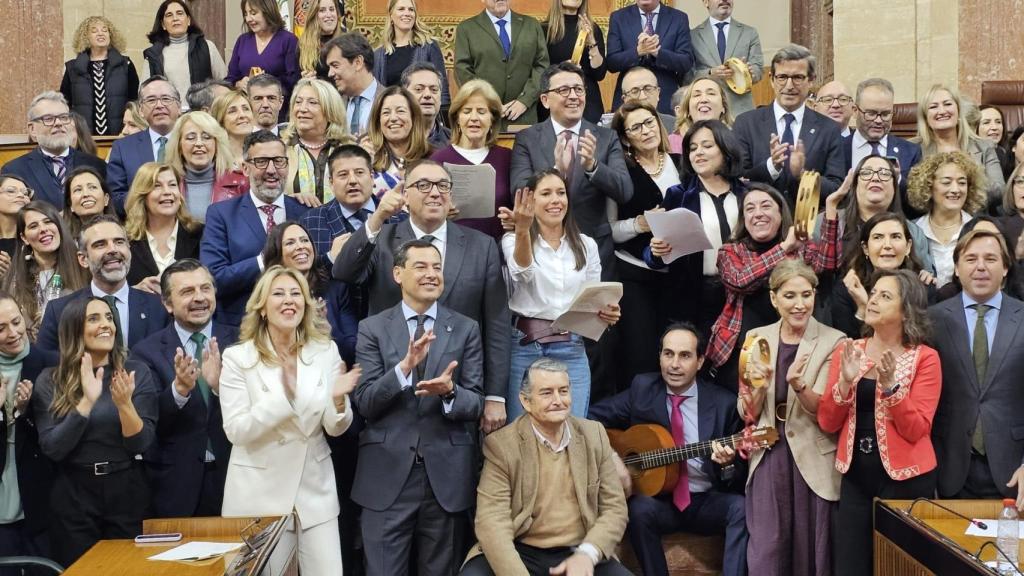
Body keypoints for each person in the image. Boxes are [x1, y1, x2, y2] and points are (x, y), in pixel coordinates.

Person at [334, 160, 510, 432]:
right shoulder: (382, 237)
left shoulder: (481, 245)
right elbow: (345, 271)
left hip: (458, 391)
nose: (435, 192)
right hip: (391, 393)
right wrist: (377, 217)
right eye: (423, 185)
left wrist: (495, 396)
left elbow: (497, 323)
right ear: (405, 195)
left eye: (443, 185)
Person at [352, 239, 485, 576]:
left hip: (446, 478)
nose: (431, 274)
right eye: (421, 267)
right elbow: (365, 402)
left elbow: (476, 403)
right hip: (386, 477)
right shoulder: (372, 328)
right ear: (398, 273)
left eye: (437, 267)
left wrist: (450, 391)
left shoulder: (466, 327)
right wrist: (404, 368)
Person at [219, 266, 357, 574]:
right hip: (259, 496)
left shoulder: (325, 351)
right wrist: (285, 396)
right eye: (278, 294)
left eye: (296, 294)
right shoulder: (238, 358)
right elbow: (236, 430)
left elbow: (336, 427)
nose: (288, 301)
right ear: (262, 307)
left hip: (315, 492)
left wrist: (338, 400)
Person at [588, 322, 745, 576]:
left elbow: (736, 478)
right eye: (668, 354)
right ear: (659, 357)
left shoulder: (723, 403)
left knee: (741, 508)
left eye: (685, 356)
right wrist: (613, 457)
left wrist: (726, 464)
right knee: (639, 510)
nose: (674, 364)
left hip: (705, 500)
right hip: (661, 503)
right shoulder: (643, 390)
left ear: (701, 361)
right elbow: (590, 418)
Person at [819, 269, 940, 576]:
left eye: (885, 296)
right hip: (856, 478)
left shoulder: (925, 358)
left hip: (907, 480)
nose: (872, 300)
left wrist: (891, 389)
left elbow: (916, 430)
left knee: (900, 568)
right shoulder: (848, 351)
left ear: (906, 310)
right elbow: (828, 422)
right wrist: (845, 383)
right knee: (849, 567)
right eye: (873, 293)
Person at [463, 358, 630, 576]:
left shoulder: (594, 434)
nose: (558, 400)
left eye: (563, 391)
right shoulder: (502, 446)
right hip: (520, 550)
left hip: (579, 549)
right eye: (546, 393)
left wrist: (587, 555)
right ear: (525, 401)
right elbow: (491, 522)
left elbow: (615, 508)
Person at [33, 296, 158, 566]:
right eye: (94, 318)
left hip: (127, 488)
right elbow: (53, 448)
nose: (106, 325)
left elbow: (141, 443)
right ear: (74, 329)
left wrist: (124, 405)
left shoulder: (135, 371)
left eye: (109, 318)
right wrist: (86, 403)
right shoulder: (50, 379)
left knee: (130, 570)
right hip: (73, 494)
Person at [739, 260, 845, 576]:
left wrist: (797, 384)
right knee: (766, 553)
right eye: (789, 296)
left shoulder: (834, 340)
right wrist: (759, 387)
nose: (799, 305)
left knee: (810, 554)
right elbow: (747, 412)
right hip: (769, 453)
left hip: (813, 451)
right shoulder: (756, 338)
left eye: (806, 295)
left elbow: (824, 410)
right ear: (774, 299)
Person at [707, 182, 844, 392]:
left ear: (782, 214)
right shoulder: (730, 251)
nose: (758, 213)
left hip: (792, 348)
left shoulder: (802, 248)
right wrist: (784, 248)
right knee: (746, 415)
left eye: (766, 206)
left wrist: (831, 208)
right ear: (744, 218)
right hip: (742, 350)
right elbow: (740, 280)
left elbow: (827, 264)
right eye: (750, 209)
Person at [504, 169, 616, 420]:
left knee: (573, 428)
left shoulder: (586, 244)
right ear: (531, 201)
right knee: (520, 430)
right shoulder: (513, 239)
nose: (556, 200)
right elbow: (522, 273)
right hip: (525, 344)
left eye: (561, 193)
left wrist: (605, 313)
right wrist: (522, 230)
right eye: (546, 193)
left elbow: (592, 298)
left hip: (571, 345)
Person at [130, 259, 237, 518]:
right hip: (176, 486)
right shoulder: (146, 351)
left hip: (236, 476)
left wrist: (219, 389)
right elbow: (148, 424)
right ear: (167, 303)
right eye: (187, 292)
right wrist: (179, 390)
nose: (199, 298)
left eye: (205, 289)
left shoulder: (241, 340)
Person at [510, 62, 634, 279]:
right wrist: (555, 170)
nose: (574, 96)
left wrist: (593, 167)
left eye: (578, 89)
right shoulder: (527, 139)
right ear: (545, 100)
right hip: (544, 250)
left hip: (594, 248)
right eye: (563, 90)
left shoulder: (606, 137)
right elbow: (519, 190)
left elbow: (624, 190)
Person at [928, 229, 1024, 507]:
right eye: (971, 259)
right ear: (957, 268)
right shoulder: (933, 320)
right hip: (949, 468)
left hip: (1013, 471)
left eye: (991, 259)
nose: (981, 266)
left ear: (1005, 268)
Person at [644, 119, 742, 350]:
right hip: (693, 297)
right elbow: (654, 256)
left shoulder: (747, 193)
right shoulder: (678, 195)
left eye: (707, 146)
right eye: (693, 148)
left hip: (742, 295)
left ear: (725, 149)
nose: (698, 153)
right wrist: (656, 251)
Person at [200, 131, 311, 326]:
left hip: (299, 326)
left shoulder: (306, 211)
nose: (271, 169)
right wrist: (264, 259)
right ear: (245, 168)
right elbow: (213, 279)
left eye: (278, 161)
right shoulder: (221, 214)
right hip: (241, 327)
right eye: (261, 161)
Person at [606, 101, 680, 382]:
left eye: (649, 122)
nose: (646, 130)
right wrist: (640, 223)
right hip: (635, 274)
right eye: (635, 127)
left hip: (678, 274)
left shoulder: (681, 163)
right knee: (641, 355)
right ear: (625, 137)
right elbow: (610, 230)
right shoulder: (621, 172)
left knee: (676, 350)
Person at [37, 216, 170, 352]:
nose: (112, 249)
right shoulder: (59, 311)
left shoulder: (159, 307)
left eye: (119, 242)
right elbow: (45, 367)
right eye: (100, 244)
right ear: (83, 259)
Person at [732, 44, 845, 202]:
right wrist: (772, 166)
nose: (789, 86)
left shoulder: (828, 129)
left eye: (798, 78)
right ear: (771, 79)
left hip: (808, 223)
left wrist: (803, 175)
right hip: (760, 221)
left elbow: (836, 189)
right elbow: (737, 180)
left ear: (811, 80)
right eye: (782, 77)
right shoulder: (746, 124)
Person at [0, 292, 58, 566]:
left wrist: (26, 412)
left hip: (41, 493)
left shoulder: (51, 364)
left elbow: (60, 436)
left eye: (16, 321)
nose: (13, 333)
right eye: (1, 328)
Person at [262, 221, 357, 363]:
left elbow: (353, 353)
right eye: (290, 243)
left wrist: (327, 330)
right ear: (277, 253)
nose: (300, 246)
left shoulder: (336, 289)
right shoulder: (267, 294)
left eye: (305, 240)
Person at [430, 79, 512, 242]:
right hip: (454, 250)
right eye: (467, 111)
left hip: (498, 248)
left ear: (492, 119)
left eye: (481, 111)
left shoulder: (507, 158)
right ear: (457, 118)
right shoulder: (437, 160)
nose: (474, 118)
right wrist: (440, 213)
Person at [818, 155, 932, 271]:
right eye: (866, 173)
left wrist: (926, 276)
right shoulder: (827, 221)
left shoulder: (913, 232)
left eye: (884, 173)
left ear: (894, 187)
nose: (875, 178)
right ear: (854, 185)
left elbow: (925, 275)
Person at [834, 212, 933, 338]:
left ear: (908, 246)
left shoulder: (924, 287)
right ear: (865, 248)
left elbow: (922, 338)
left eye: (895, 237)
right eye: (878, 237)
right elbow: (847, 344)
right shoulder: (847, 289)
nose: (887, 245)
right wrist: (863, 309)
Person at [0, 91, 106, 209]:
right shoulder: (15, 170)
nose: (58, 123)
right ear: (32, 129)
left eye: (64, 117)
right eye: (49, 119)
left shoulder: (96, 165)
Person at [454, 0, 550, 128]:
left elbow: (542, 65)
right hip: (485, 117)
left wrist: (524, 101)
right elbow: (462, 70)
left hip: (524, 116)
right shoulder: (466, 28)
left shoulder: (531, 25)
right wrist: (488, 102)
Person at [2, 202, 88, 340]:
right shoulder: (14, 279)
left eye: (48, 222)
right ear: (24, 237)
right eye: (33, 226)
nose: (43, 229)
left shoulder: (84, 266)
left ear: (59, 227)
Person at [841, 78, 923, 215]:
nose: (878, 120)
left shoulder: (911, 152)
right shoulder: (838, 148)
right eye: (871, 113)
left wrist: (898, 181)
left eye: (885, 114)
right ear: (855, 111)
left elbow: (918, 204)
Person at [907, 150, 987, 288]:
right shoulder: (912, 230)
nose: (956, 189)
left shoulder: (979, 229)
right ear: (929, 186)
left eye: (962, 183)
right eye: (946, 182)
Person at [913, 84, 1005, 202]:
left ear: (958, 110)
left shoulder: (983, 146)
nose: (942, 111)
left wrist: (963, 187)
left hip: (977, 215)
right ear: (925, 117)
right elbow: (909, 194)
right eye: (933, 107)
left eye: (948, 104)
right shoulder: (912, 148)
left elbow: (999, 191)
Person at [107, 76, 184, 213]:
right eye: (151, 100)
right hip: (140, 227)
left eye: (166, 99)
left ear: (179, 107)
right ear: (141, 110)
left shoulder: (192, 142)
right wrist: (152, 203)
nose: (159, 105)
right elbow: (116, 197)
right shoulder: (123, 148)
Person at [123, 163, 204, 292]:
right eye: (157, 186)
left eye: (172, 185)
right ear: (142, 196)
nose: (167, 192)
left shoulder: (201, 234)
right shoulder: (125, 241)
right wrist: (135, 290)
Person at [606, 0, 693, 114]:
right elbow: (612, 62)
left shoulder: (678, 18)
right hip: (629, 100)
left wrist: (657, 53)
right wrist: (638, 52)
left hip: (665, 101)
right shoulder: (618, 17)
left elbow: (685, 62)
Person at [60, 16, 139, 136]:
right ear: (86, 37)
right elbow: (64, 104)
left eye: (105, 30)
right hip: (84, 138)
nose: (100, 33)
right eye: (94, 31)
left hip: (121, 135)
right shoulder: (73, 68)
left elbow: (135, 101)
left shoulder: (125, 64)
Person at [301, 144, 379, 264]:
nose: (352, 181)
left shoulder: (398, 218)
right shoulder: (310, 222)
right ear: (331, 182)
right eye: (343, 175)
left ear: (372, 177)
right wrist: (330, 258)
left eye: (359, 172)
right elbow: (305, 274)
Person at [165, 111, 250, 220]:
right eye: (191, 138)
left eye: (206, 137)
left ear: (217, 143)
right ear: (179, 146)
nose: (199, 143)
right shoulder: (165, 185)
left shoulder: (241, 183)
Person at [142, 0, 227, 107]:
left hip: (203, 115)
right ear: (163, 24)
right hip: (169, 117)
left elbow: (223, 82)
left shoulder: (207, 47)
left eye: (180, 13)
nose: (175, 18)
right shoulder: (153, 54)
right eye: (169, 15)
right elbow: (144, 92)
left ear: (188, 20)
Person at [281, 77, 352, 202]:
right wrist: (289, 200)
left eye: (312, 102)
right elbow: (267, 197)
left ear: (330, 110)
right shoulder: (280, 150)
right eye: (298, 102)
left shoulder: (350, 150)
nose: (302, 109)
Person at [687, 0, 763, 117]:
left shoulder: (749, 33)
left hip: (741, 111)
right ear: (706, 2)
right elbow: (687, 77)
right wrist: (710, 73)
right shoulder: (693, 36)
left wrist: (750, 73)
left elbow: (759, 70)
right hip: (706, 110)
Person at [373, 0, 450, 111]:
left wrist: (443, 118)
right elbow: (376, 95)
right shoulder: (379, 55)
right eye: (401, 9)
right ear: (391, 15)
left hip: (422, 117)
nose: (407, 13)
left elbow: (442, 90)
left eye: (411, 10)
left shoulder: (428, 47)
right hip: (392, 118)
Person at [541, 0, 606, 124]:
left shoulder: (592, 28)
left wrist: (592, 43)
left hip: (587, 103)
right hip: (558, 99)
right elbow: (539, 70)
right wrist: (562, 69)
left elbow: (600, 73)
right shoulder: (544, 29)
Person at [226, 0, 299, 109]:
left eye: (253, 13)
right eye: (246, 14)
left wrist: (265, 82)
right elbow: (230, 79)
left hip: (278, 112)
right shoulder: (243, 40)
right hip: (246, 110)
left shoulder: (288, 40)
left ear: (268, 12)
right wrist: (238, 84)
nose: (249, 19)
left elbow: (294, 81)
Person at [366, 85, 433, 196]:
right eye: (386, 113)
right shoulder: (367, 157)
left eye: (400, 111)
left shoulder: (434, 156)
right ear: (378, 121)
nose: (393, 118)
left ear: (414, 117)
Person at [323, 33, 380, 137]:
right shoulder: (332, 106)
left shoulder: (391, 100)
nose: (330, 73)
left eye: (335, 65)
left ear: (358, 63)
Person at [667, 77, 733, 154]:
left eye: (711, 93)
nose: (704, 99)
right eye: (697, 95)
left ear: (723, 107)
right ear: (688, 110)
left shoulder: (739, 139)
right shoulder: (670, 144)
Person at [402, 62, 451, 149]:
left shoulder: (454, 142)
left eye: (434, 89)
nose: (427, 94)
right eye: (419, 89)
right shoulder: (392, 139)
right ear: (404, 96)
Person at [62, 166, 117, 240]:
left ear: (106, 199)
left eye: (92, 187)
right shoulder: (64, 243)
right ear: (70, 204)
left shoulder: (126, 236)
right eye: (78, 190)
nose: (86, 194)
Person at [298, 0, 344, 81]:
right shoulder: (302, 45)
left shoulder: (347, 41)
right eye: (322, 10)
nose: (329, 15)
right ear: (314, 15)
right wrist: (304, 81)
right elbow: (295, 83)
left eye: (332, 9)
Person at [210, 89, 254, 166]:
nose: (242, 115)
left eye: (246, 109)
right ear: (220, 120)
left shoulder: (264, 153)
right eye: (232, 111)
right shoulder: (211, 159)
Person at [0, 175, 32, 268]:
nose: (21, 195)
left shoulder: (36, 237)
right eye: (11, 191)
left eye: (25, 193)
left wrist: (9, 277)